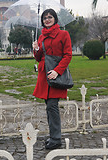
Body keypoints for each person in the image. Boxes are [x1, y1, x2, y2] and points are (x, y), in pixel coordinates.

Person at [32, 8, 72, 150]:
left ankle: (56, 138)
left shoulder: (63, 34)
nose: (47, 19)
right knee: (49, 108)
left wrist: (57, 71)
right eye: (44, 18)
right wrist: (36, 49)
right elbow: (38, 58)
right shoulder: (41, 36)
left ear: (55, 19)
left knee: (52, 106)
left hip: (56, 74)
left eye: (50, 17)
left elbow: (68, 55)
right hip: (44, 75)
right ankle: (53, 136)